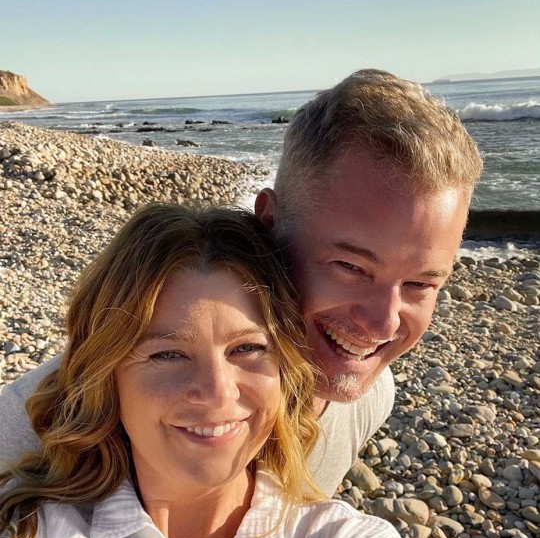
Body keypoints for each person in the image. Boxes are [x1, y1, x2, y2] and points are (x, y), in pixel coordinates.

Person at [0, 203, 465, 538]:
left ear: (287, 369)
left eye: (247, 349)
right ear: (108, 378)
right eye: (168, 354)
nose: (218, 392)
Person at [0, 68, 483, 494]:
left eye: (420, 285)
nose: (382, 324)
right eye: (351, 267)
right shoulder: (35, 424)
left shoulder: (371, 394)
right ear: (269, 222)